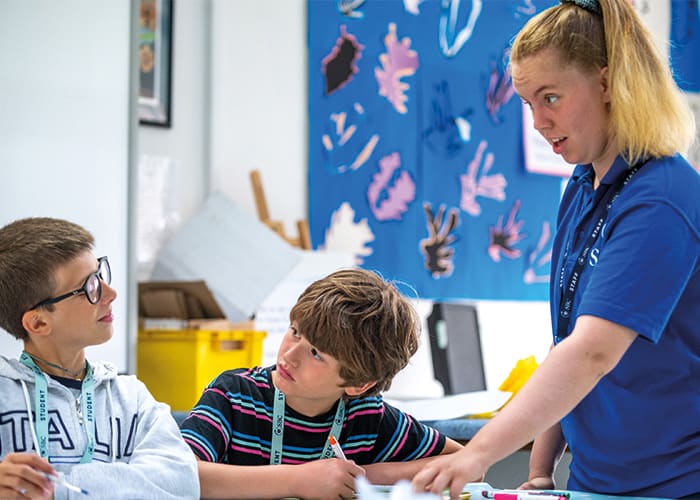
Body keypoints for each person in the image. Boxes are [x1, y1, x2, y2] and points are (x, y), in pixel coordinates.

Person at [413, 0, 699, 498]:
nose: (539, 122)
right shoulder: (585, 185)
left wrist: (480, 453)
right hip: (596, 480)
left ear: (609, 84)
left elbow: (592, 352)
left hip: (672, 484)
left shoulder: (663, 199)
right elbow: (567, 338)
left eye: (551, 98)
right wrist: (541, 470)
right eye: (527, 104)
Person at [179, 268, 462, 499]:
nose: (290, 355)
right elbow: (178, 475)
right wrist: (297, 480)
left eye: (316, 353)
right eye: (295, 332)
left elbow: (465, 463)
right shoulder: (233, 395)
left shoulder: (367, 415)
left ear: (359, 383)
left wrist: (363, 476)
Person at [0, 217, 199, 499]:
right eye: (89, 288)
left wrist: (55, 490)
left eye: (101, 274)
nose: (111, 293)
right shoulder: (5, 396)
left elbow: (181, 482)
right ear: (39, 324)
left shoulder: (131, 398)